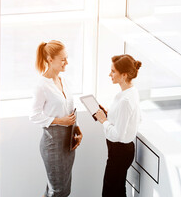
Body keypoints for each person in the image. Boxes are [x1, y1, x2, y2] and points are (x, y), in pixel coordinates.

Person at [30, 40, 83, 197]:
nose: (66, 62)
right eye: (63, 59)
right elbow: (34, 115)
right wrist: (60, 121)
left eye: (67, 58)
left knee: (61, 189)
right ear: (50, 59)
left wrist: (77, 129)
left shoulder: (63, 81)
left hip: (68, 142)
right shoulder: (41, 85)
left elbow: (68, 108)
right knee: (57, 191)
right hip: (53, 143)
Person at [94, 54, 142, 197]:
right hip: (122, 151)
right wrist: (110, 115)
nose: (110, 74)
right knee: (118, 189)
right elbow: (134, 119)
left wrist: (104, 120)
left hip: (119, 152)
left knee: (110, 192)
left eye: (113, 71)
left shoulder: (125, 100)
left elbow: (118, 135)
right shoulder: (131, 92)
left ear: (124, 75)